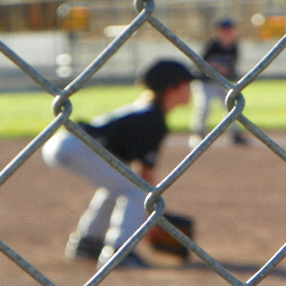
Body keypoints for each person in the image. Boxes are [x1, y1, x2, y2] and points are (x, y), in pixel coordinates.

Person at [42, 60, 194, 269]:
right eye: (187, 85)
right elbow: (145, 176)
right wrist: (149, 214)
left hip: (68, 143)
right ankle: (120, 250)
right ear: (171, 89)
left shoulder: (146, 112)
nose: (191, 91)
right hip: (78, 146)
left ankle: (88, 242)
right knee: (136, 192)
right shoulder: (153, 119)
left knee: (120, 187)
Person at [189, 18, 248, 148]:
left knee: (231, 108)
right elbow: (200, 64)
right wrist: (216, 67)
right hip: (204, 83)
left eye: (230, 30)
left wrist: (224, 70)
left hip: (220, 84)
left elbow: (232, 68)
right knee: (203, 107)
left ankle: (235, 134)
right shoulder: (212, 45)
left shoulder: (233, 47)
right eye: (225, 30)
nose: (228, 32)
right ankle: (198, 135)